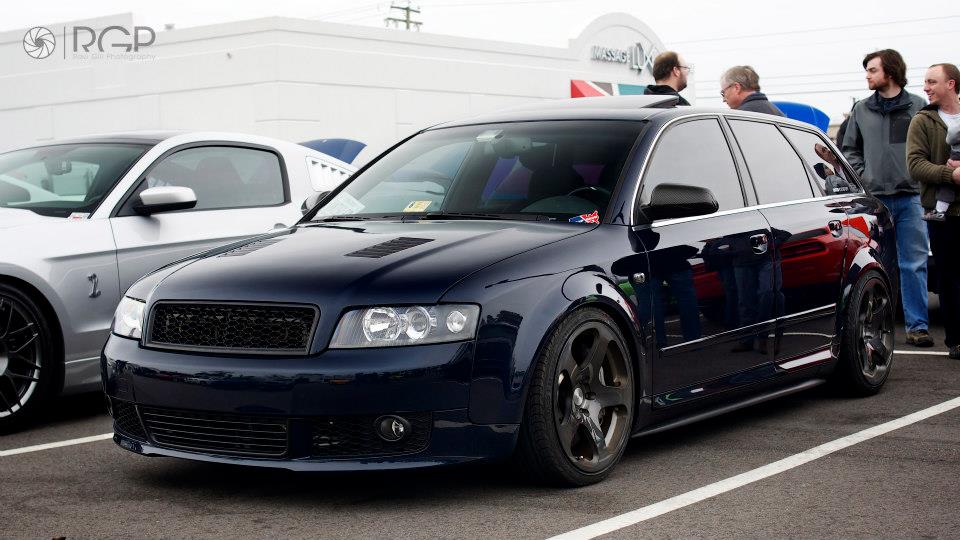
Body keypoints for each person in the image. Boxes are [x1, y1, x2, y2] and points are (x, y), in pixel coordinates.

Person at [842, 49, 932, 347]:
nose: (867, 75)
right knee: (878, 265)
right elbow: (849, 149)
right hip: (876, 202)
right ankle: (880, 328)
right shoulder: (861, 109)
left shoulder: (918, 106)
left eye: (872, 70)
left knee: (913, 264)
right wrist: (864, 175)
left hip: (911, 198)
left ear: (890, 72)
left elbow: (930, 148)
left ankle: (918, 327)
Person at [907, 63, 960, 358]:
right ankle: (956, 340)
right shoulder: (923, 120)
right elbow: (915, 165)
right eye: (925, 82)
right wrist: (950, 175)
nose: (925, 87)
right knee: (950, 278)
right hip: (943, 214)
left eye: (932, 81)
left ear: (951, 84)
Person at [719, 66, 784, 116]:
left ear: (736, 88)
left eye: (723, 92)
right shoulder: (777, 113)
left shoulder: (741, 116)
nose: (723, 100)